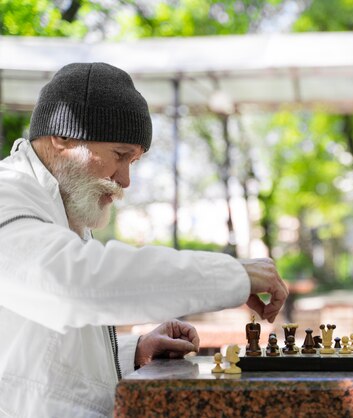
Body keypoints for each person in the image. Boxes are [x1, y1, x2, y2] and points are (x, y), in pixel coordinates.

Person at [0, 62, 289, 417]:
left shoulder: (61, 208)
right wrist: (230, 274)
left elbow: (34, 352)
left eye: (133, 162)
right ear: (63, 135)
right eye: (120, 156)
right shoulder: (7, 193)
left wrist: (132, 351)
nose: (125, 181)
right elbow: (73, 284)